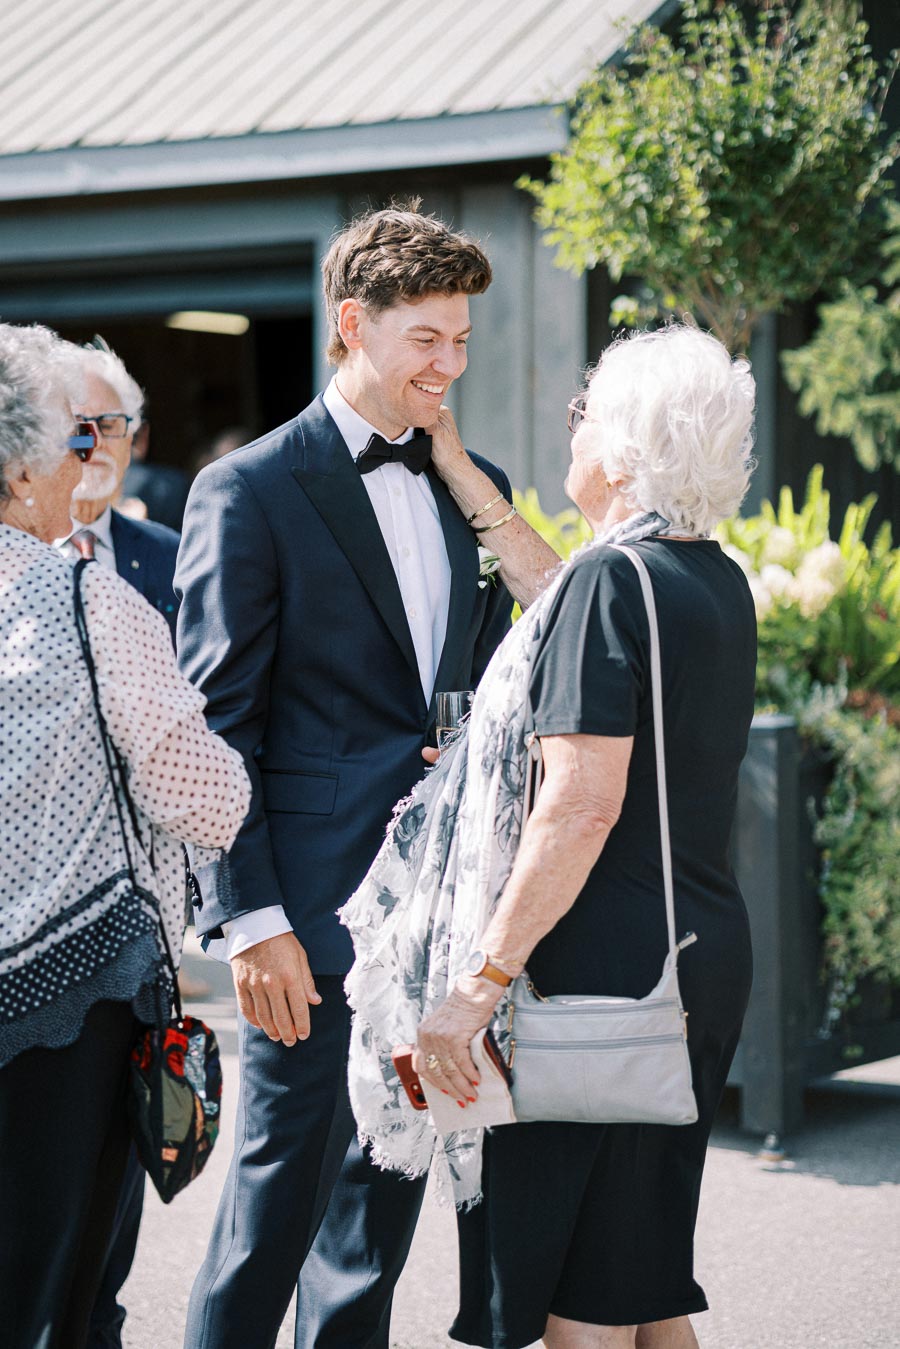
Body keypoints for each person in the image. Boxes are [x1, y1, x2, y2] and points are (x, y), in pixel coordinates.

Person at [343, 324, 757, 1349]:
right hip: (688, 960)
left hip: (600, 985)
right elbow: (559, 595)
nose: (567, 429)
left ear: (620, 445)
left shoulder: (611, 586)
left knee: (585, 1306)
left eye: (581, 414)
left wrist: (477, 985)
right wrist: (466, 480)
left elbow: (579, 803)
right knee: (644, 1281)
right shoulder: (704, 578)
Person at [177, 204, 519, 1349]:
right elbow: (212, 729)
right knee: (271, 1218)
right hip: (308, 927)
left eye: (463, 339)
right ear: (350, 328)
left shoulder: (475, 483)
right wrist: (254, 919)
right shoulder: (252, 489)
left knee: (376, 1226)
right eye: (426, 338)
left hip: (432, 927)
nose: (450, 364)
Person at [0, 322, 251, 1349]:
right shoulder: (90, 600)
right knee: (60, 1290)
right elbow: (211, 801)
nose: (92, 462)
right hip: (71, 1004)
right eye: (76, 442)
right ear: (19, 464)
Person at [53, 338, 185, 1349]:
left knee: (107, 1224)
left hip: (134, 942)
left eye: (115, 425)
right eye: (77, 423)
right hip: (28, 937)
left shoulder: (168, 560)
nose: (97, 444)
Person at [56, 340, 180, 640]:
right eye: (77, 427)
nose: (94, 441)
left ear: (132, 442)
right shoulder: (10, 553)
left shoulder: (172, 555)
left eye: (109, 424)